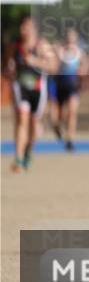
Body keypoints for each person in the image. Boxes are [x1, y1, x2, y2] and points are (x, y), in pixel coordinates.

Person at [4, 16, 57, 173]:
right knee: (22, 119)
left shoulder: (42, 45)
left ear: (34, 29)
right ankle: (18, 158)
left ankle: (28, 152)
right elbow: (7, 67)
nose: (23, 30)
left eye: (26, 26)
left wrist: (35, 61)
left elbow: (53, 66)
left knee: (34, 124)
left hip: (38, 89)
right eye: (22, 26)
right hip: (21, 88)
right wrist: (10, 68)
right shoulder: (14, 46)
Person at [52, 28, 89, 151]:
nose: (70, 41)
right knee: (60, 116)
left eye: (73, 38)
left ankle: (70, 140)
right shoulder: (60, 52)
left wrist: (83, 72)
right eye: (68, 38)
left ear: (76, 40)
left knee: (72, 112)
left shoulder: (80, 53)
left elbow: (85, 64)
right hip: (61, 85)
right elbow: (54, 66)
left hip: (73, 85)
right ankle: (57, 127)